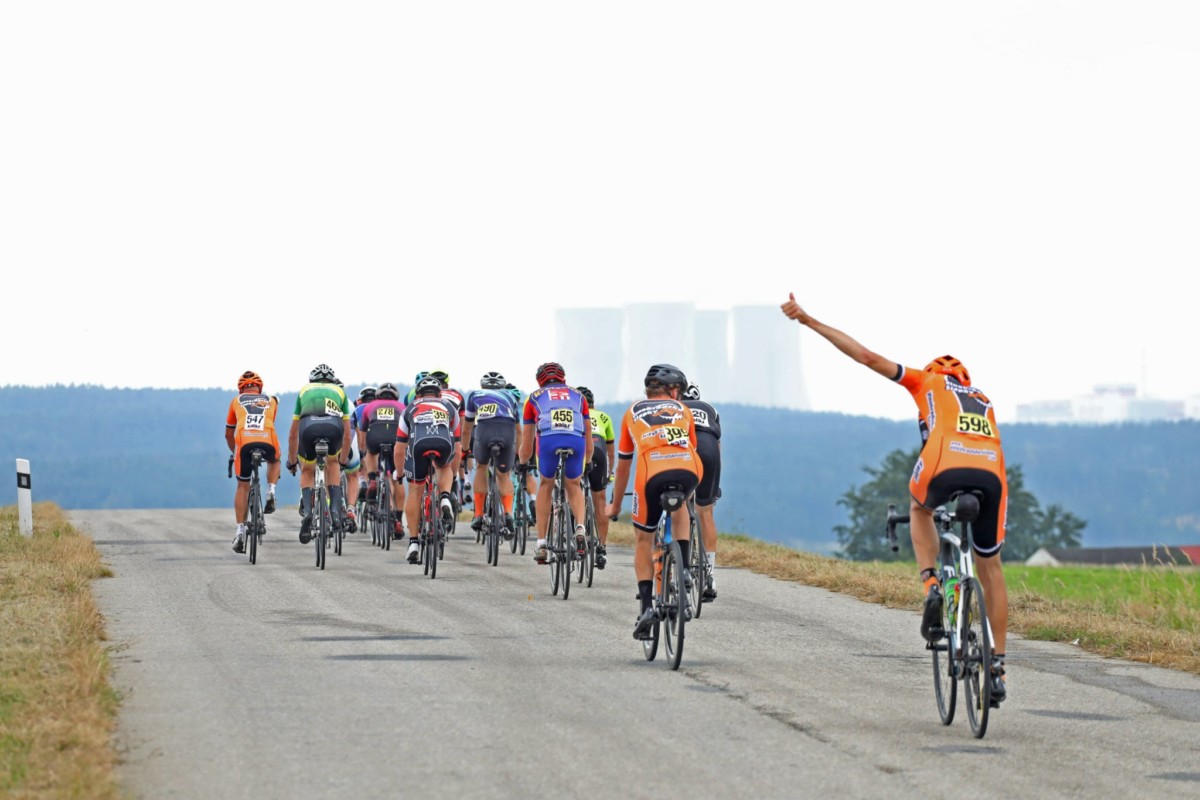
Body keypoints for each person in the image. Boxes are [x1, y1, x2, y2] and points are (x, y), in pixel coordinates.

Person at [780, 292, 1009, 705]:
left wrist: (810, 321)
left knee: (919, 509)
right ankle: (998, 668)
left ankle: (932, 585)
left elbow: (866, 356)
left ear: (935, 373)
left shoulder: (925, 381)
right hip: (992, 471)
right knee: (990, 567)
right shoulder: (983, 400)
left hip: (944, 461)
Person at [607, 364, 703, 640]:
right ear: (673, 391)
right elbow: (691, 447)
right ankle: (685, 571)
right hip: (689, 470)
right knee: (682, 503)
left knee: (643, 539)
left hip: (651, 474)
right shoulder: (683, 409)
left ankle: (647, 607)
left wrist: (615, 506)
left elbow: (623, 467)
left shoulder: (632, 411)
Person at [517, 362, 593, 565]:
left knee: (546, 484)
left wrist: (522, 462)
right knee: (574, 485)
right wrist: (589, 460)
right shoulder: (579, 396)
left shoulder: (533, 398)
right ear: (563, 378)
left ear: (539, 381)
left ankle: (542, 543)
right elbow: (588, 435)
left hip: (549, 441)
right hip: (576, 441)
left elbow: (527, 443)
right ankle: (580, 527)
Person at [396, 376, 462, 564]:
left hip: (418, 445)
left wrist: (400, 473)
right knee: (443, 466)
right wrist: (453, 475)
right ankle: (445, 497)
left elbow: (399, 448)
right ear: (440, 394)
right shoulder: (449, 407)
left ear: (417, 395)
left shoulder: (409, 408)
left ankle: (413, 543)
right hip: (443, 443)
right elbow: (458, 447)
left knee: (415, 490)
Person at [285, 364, 353, 545]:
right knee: (333, 463)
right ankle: (335, 512)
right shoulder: (340, 392)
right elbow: (347, 435)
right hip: (333, 428)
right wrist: (343, 461)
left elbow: (292, 434)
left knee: (307, 469)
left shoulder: (304, 391)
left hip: (309, 428)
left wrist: (292, 461)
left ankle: (308, 512)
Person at [225, 371, 282, 553]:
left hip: (245, 443)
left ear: (241, 390)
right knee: (275, 459)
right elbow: (270, 420)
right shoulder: (272, 400)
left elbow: (228, 434)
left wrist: (235, 452)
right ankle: (271, 490)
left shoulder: (236, 401)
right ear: (260, 388)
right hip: (267, 439)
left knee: (243, 486)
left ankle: (240, 531)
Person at [463, 371, 519, 538]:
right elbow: (519, 430)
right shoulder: (510, 396)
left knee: (481, 467)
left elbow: (467, 428)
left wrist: (465, 450)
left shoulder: (475, 395)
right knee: (504, 475)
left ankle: (479, 515)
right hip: (507, 433)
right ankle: (508, 513)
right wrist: (517, 452)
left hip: (484, 432)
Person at [681, 382, 722, 600]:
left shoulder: (674, 406)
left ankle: (679, 567)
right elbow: (717, 447)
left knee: (678, 504)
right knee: (706, 512)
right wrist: (715, 482)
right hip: (710, 453)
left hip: (687, 451)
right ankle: (710, 574)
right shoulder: (710, 408)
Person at [358, 382, 407, 539]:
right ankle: (398, 520)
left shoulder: (370, 406)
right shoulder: (402, 407)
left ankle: (372, 480)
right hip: (395, 439)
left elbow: (362, 431)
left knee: (371, 453)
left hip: (375, 437)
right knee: (397, 480)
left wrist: (363, 450)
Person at [576, 386, 615, 569]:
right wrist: (609, 474)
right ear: (593, 404)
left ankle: (576, 527)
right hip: (599, 452)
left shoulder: (574, 413)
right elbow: (611, 453)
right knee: (600, 501)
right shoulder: (604, 417)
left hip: (578, 451)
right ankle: (602, 548)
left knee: (572, 491)